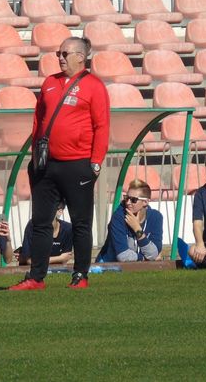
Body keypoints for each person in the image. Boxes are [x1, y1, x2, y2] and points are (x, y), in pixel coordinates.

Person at [9, 36, 110, 290]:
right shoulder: (50, 83)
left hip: (78, 164)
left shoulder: (94, 86)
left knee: (80, 223)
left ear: (81, 57)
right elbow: (38, 120)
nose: (60, 58)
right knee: (41, 222)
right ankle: (36, 277)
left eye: (65, 54)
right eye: (58, 53)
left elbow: (102, 126)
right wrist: (35, 156)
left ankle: (80, 275)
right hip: (47, 165)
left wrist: (95, 162)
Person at [96, 179, 163, 263]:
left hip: (137, 267)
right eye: (126, 198)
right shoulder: (118, 217)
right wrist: (144, 258)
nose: (128, 202)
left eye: (133, 200)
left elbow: (154, 253)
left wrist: (137, 230)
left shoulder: (156, 217)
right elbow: (123, 256)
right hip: (107, 265)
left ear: (145, 202)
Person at [16, 200, 73, 266]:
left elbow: (65, 259)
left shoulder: (67, 229)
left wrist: (60, 259)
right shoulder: (32, 225)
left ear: (60, 211)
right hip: (31, 270)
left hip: (55, 269)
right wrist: (59, 258)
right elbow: (29, 261)